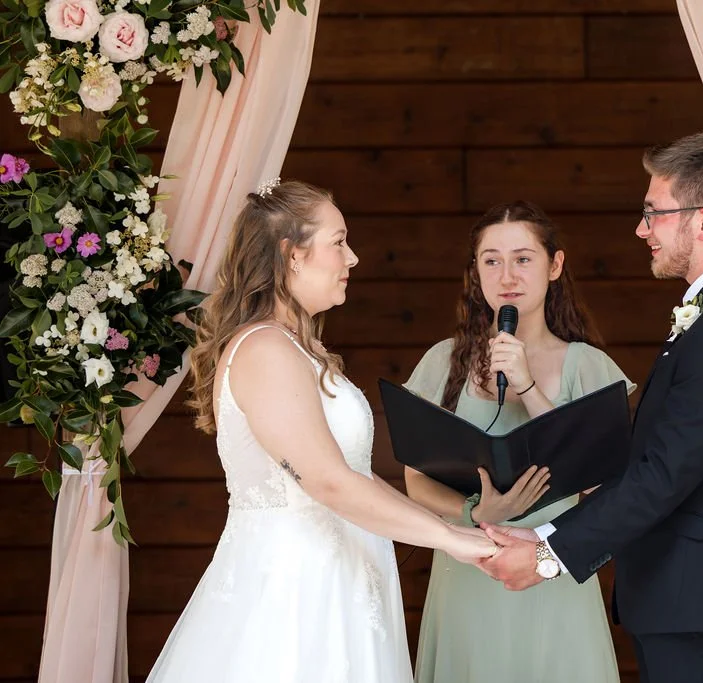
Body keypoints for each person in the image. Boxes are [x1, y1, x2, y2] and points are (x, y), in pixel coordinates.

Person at [479, 130, 703, 683]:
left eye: (653, 213)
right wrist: (543, 536)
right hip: (684, 597)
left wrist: (549, 556)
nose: (641, 228)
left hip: (699, 600)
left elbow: (667, 472)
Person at [145, 179, 496, 683]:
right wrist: (449, 541)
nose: (352, 258)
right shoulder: (265, 349)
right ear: (292, 255)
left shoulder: (296, 348)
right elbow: (327, 482)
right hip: (293, 598)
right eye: (338, 242)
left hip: (339, 584)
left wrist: (458, 529)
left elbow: (355, 476)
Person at [402, 200, 635, 683]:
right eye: (491, 260)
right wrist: (476, 515)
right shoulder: (443, 362)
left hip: (552, 577)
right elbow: (415, 478)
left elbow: (599, 485)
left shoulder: (589, 366)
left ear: (555, 265)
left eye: (523, 258)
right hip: (467, 573)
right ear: (476, 272)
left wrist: (527, 386)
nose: (507, 274)